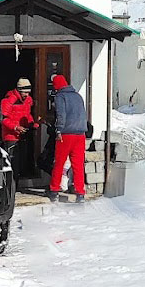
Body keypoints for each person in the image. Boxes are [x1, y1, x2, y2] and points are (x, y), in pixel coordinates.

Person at [48, 73, 88, 202]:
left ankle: (54, 190)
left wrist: (58, 130)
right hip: (80, 134)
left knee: (59, 162)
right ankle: (80, 192)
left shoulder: (60, 96)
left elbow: (61, 114)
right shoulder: (78, 96)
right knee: (78, 165)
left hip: (66, 134)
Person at [0, 78, 36, 173]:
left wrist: (32, 124)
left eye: (28, 92)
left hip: (23, 136)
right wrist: (15, 127)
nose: (27, 95)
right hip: (11, 137)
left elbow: (27, 115)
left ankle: (16, 186)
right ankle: (11, 188)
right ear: (19, 90)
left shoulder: (28, 100)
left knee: (21, 166)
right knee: (12, 166)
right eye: (25, 92)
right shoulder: (8, 100)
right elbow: (4, 119)